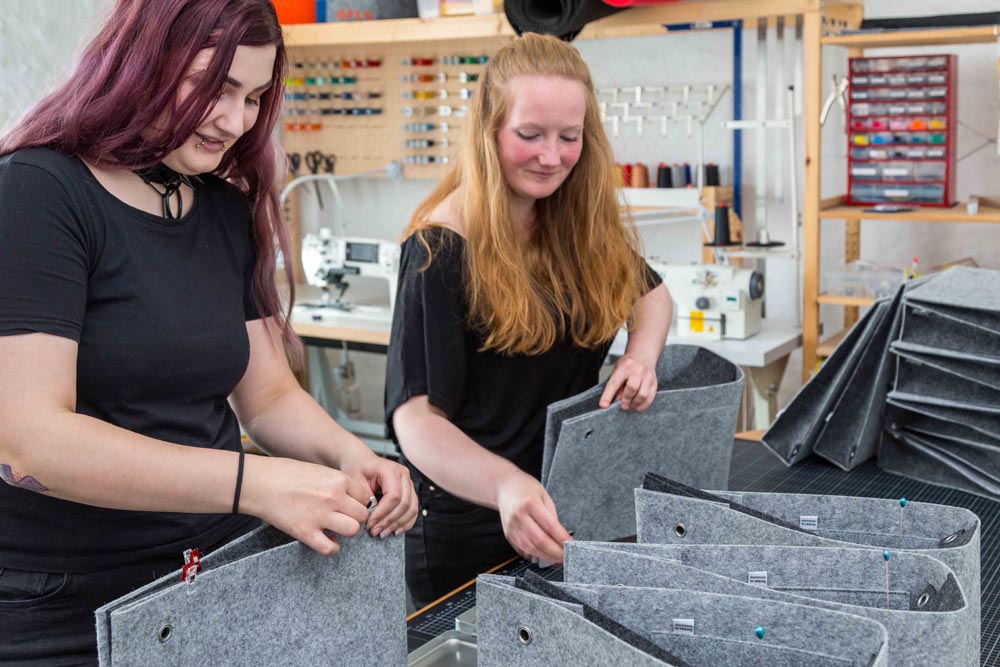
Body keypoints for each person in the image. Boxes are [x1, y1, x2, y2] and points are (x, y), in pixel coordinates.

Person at [0, 1, 416, 663]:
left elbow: (268, 396)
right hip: (71, 600)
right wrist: (256, 483)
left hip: (209, 571)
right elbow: (30, 443)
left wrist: (350, 455)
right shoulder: (38, 193)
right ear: (141, 62)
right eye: (214, 88)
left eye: (253, 97)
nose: (236, 120)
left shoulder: (221, 207)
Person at [385, 32, 672, 608]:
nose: (552, 157)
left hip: (563, 506)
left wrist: (640, 357)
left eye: (569, 137)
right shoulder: (440, 248)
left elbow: (653, 296)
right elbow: (416, 423)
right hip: (471, 525)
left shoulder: (570, 224)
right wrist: (505, 485)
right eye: (530, 135)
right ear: (488, 131)